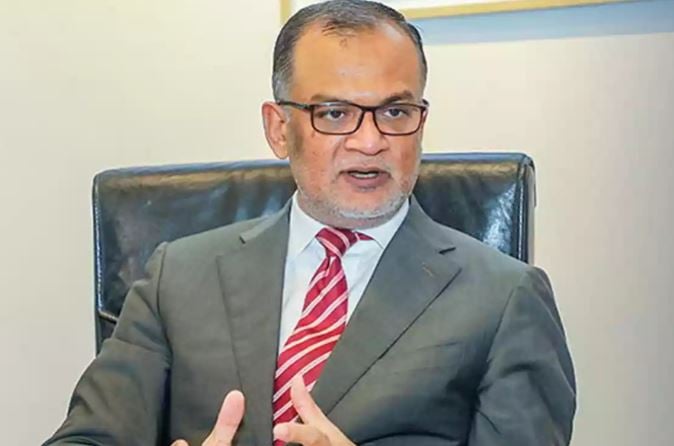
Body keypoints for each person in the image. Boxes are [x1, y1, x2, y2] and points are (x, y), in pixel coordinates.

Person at [45, 1, 576, 445]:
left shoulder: (504, 299)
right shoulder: (177, 278)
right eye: (335, 114)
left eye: (395, 112)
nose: (370, 142)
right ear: (279, 129)